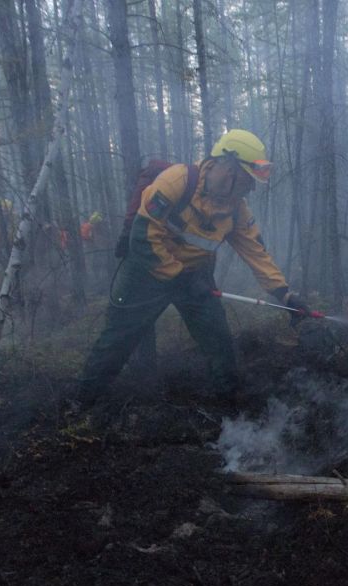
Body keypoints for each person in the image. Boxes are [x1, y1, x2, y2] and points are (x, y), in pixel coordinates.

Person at [72, 129, 307, 406]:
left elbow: (257, 253)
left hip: (195, 276)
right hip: (145, 271)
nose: (251, 188)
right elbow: (143, 236)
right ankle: (81, 406)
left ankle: (231, 408)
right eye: (247, 179)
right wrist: (178, 276)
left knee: (218, 341)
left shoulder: (236, 209)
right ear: (229, 168)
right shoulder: (177, 182)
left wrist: (285, 295)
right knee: (117, 339)